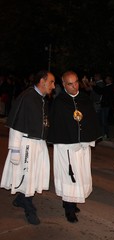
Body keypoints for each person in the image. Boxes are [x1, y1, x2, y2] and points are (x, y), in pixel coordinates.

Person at [0, 70, 55, 225]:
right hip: (26, 145)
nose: (53, 85)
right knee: (27, 177)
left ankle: (20, 198)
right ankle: (29, 208)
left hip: (38, 144)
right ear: (43, 81)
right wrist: (15, 150)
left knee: (34, 176)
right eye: (51, 81)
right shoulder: (27, 97)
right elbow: (16, 125)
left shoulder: (42, 99)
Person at [48, 71, 101, 223]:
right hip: (66, 148)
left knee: (80, 174)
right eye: (70, 84)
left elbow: (91, 121)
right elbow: (56, 126)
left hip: (82, 147)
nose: (75, 86)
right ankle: (69, 208)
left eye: (76, 82)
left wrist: (88, 138)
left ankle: (72, 201)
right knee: (69, 176)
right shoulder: (59, 102)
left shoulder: (85, 99)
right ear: (64, 85)